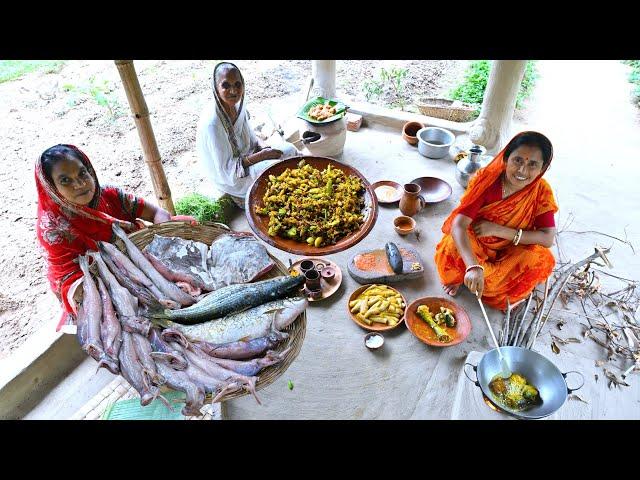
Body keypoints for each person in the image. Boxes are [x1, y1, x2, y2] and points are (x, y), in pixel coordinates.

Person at [35, 144, 195, 330]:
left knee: (187, 223)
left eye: (82, 173)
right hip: (104, 282)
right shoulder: (53, 229)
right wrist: (129, 281)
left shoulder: (109, 195)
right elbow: (73, 283)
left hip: (142, 256)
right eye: (65, 180)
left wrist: (165, 239)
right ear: (51, 187)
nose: (79, 184)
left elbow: (156, 213)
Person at [434, 131, 558, 311]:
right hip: (478, 242)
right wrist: (472, 266)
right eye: (518, 161)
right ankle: (466, 277)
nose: (523, 171)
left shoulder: (541, 191)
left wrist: (499, 230)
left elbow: (547, 239)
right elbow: (459, 225)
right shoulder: (486, 180)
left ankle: (485, 283)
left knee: (539, 258)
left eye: (532, 164)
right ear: (506, 159)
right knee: (454, 245)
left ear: (543, 167)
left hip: (513, 247)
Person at [196, 61, 299, 208]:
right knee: (276, 170)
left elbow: (250, 137)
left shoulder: (237, 105)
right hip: (233, 177)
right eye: (226, 85)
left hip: (248, 157)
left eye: (237, 84)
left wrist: (262, 147)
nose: (233, 91)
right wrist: (263, 156)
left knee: (289, 149)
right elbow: (227, 170)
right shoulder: (212, 123)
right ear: (216, 88)